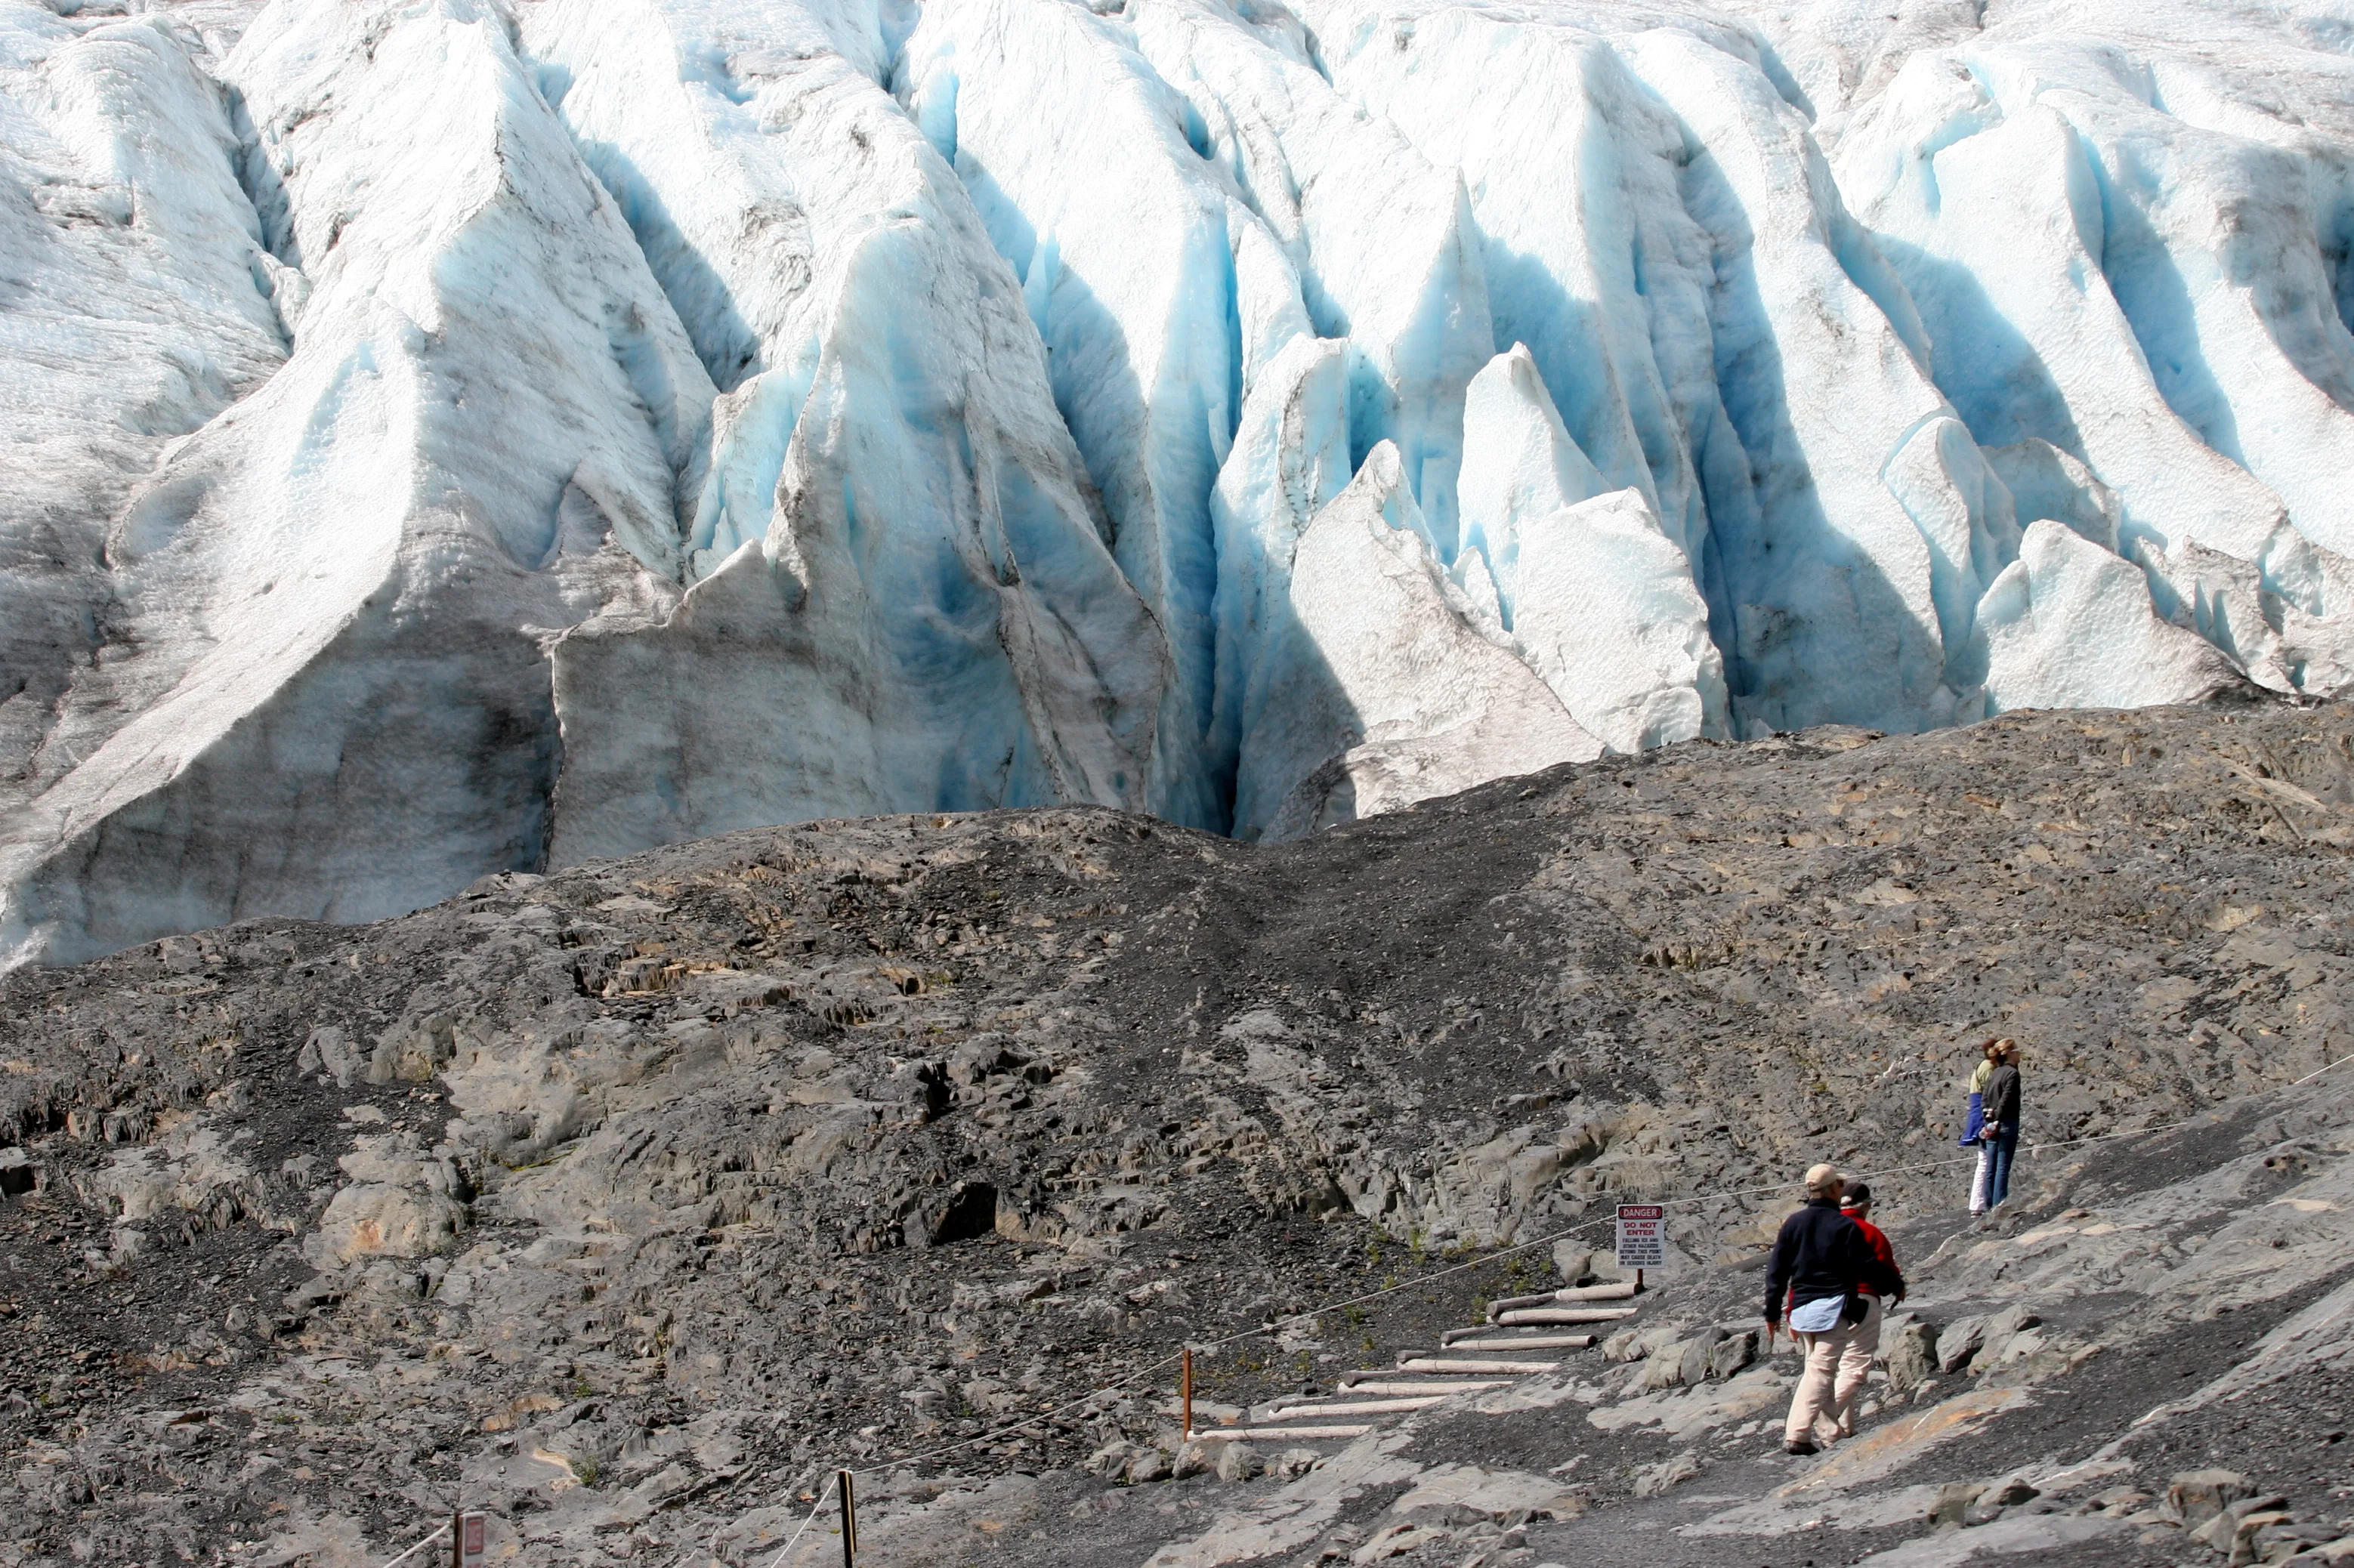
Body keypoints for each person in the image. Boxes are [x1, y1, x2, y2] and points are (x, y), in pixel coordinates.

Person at [1762, 1163, 1901, 1455]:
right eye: (1839, 1184)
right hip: (1833, 1306)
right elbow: (1868, 1265)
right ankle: (1797, 1434)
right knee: (1821, 1372)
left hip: (1801, 1309)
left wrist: (1773, 1314)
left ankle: (1831, 1434)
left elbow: (1776, 1271)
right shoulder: (1844, 1226)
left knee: (1817, 1367)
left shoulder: (1793, 1223)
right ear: (1834, 1190)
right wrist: (1895, 1285)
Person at [1833, 1182, 1905, 1438]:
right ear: (1863, 1206)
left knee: (1837, 1365)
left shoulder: (1823, 1230)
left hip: (1823, 1304)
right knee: (1854, 1366)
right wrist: (1897, 1287)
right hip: (1862, 1299)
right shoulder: (1870, 1232)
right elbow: (1884, 1269)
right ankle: (1822, 1417)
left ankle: (1844, 1427)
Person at [1982, 1042, 2023, 1208]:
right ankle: (2000, 1205)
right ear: (2009, 1053)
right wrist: (1999, 1116)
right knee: (2002, 1167)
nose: (2019, 1053)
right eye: (2016, 1050)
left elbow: (1984, 1098)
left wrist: (1989, 1118)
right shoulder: (2012, 1074)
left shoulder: (1996, 1073)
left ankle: (1989, 1204)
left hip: (1991, 1125)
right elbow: (2006, 1099)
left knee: (1990, 1167)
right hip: (2006, 1123)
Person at [1966, 1039, 2003, 1214]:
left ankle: (1978, 1203)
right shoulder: (1988, 1068)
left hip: (1979, 1112)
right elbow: (1993, 1092)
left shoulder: (1984, 1066)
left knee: (1984, 1161)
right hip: (1984, 1114)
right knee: (1985, 1161)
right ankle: (1980, 1203)